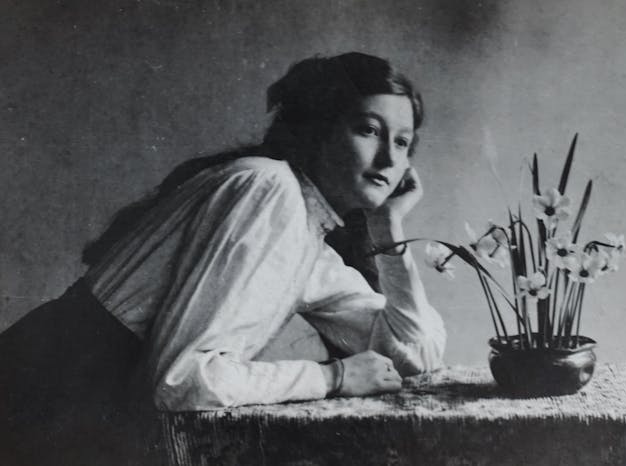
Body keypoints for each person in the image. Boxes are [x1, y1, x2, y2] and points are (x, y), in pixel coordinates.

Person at [0, 52, 445, 464]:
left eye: (403, 143)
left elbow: (412, 356)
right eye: (369, 130)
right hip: (39, 401)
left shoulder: (308, 235)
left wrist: (389, 229)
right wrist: (332, 378)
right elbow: (181, 383)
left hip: (80, 412)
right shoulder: (268, 191)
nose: (390, 159)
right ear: (321, 128)